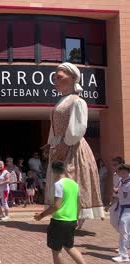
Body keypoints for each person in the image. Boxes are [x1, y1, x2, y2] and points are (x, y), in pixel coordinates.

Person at [44, 62, 104, 224]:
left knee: (71, 177)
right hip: (59, 143)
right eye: (55, 78)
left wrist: (65, 143)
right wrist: (51, 143)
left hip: (72, 146)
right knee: (60, 180)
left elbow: (78, 127)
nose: (56, 81)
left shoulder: (77, 101)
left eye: (59, 78)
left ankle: (74, 214)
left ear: (72, 78)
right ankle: (64, 212)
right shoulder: (61, 101)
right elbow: (54, 126)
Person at [34, 161, 86, 264]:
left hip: (59, 221)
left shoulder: (59, 184)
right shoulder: (75, 184)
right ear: (64, 170)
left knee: (56, 250)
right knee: (69, 246)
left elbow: (57, 205)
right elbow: (80, 204)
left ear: (53, 171)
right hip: (71, 220)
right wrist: (75, 218)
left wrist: (41, 215)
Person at [106, 164, 130, 263]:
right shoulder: (121, 181)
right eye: (121, 172)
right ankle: (124, 249)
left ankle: (124, 255)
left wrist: (117, 190)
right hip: (121, 207)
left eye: (125, 172)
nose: (122, 174)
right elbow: (117, 196)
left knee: (124, 231)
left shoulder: (128, 183)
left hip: (128, 209)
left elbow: (122, 193)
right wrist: (110, 205)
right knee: (120, 227)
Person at [110, 157, 127, 232]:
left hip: (123, 202)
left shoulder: (125, 175)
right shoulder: (115, 174)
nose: (113, 166)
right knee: (113, 222)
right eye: (112, 165)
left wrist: (118, 190)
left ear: (121, 164)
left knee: (122, 223)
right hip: (116, 201)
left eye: (115, 164)